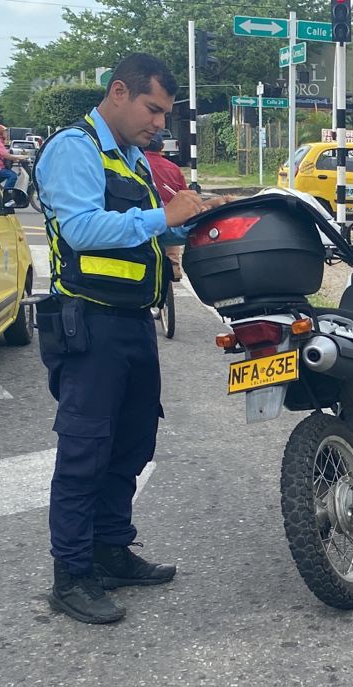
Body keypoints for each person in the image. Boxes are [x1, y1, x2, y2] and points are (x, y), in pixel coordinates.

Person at [34, 53, 221, 625]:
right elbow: (82, 227)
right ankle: (72, 574)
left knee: (132, 443)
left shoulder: (135, 161)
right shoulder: (75, 149)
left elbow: (150, 230)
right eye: (153, 109)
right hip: (88, 324)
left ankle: (111, 550)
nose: (159, 122)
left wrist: (204, 217)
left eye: (165, 113)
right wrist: (163, 219)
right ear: (119, 92)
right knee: (85, 452)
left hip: (134, 323)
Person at [144, 131, 189, 295]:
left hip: (148, 215)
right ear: (162, 146)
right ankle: (174, 267)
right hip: (172, 218)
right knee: (172, 247)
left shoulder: (138, 165)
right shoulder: (173, 168)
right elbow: (185, 193)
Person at [0, 125, 26, 194]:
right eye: (5, 132)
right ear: (0, 133)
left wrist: (16, 159)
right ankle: (6, 195)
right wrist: (19, 157)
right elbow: (6, 155)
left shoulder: (0, 142)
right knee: (13, 176)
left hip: (0, 167)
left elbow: (3, 156)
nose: (7, 133)